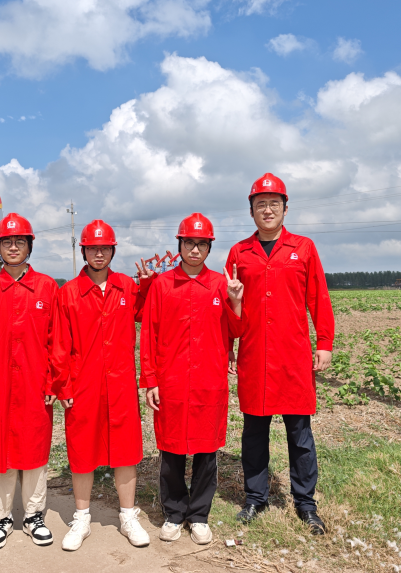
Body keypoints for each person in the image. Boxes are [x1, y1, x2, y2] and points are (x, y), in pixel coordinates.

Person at [226, 173, 334, 535]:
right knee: (254, 432)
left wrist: (324, 343)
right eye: (261, 205)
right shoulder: (239, 253)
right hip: (255, 355)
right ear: (251, 211)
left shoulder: (303, 248)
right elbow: (230, 306)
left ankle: (305, 503)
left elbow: (319, 297)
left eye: (274, 204)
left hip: (293, 355)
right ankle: (255, 498)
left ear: (286, 209)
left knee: (299, 433)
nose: (267, 210)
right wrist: (229, 346)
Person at [50, 220, 155, 551]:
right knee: (82, 449)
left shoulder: (126, 286)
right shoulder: (68, 293)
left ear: (112, 251)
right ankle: (81, 518)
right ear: (83, 251)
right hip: (83, 383)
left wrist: (148, 286)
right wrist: (63, 386)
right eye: (93, 248)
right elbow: (59, 345)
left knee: (126, 450)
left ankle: (128, 516)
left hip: (121, 382)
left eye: (105, 248)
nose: (99, 253)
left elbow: (147, 314)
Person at [139, 213, 244, 545]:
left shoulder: (220, 285)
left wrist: (236, 300)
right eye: (189, 242)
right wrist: (150, 380)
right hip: (170, 380)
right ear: (180, 245)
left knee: (206, 451)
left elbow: (237, 330)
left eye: (201, 244)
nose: (195, 249)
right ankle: (173, 513)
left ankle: (198, 515)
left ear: (209, 247)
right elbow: (149, 335)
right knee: (170, 450)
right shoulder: (162, 285)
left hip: (208, 380)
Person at [0, 213, 59, 550]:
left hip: (35, 384)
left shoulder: (47, 287)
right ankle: (1, 517)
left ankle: (34, 516)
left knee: (35, 449)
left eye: (20, 241)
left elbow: (57, 341)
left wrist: (53, 383)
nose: (14, 247)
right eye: (7, 242)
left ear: (30, 246)